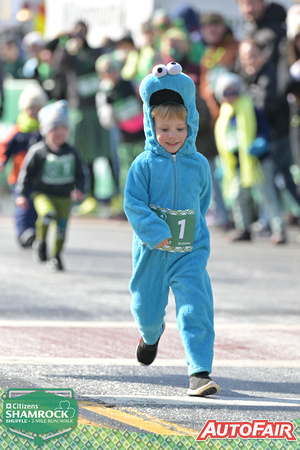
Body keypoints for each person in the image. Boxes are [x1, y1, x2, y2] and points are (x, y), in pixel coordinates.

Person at [124, 62, 220, 397]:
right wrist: (155, 231)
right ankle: (150, 336)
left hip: (189, 251)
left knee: (196, 307)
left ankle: (199, 370)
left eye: (180, 128)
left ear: (190, 124)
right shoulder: (143, 165)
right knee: (146, 310)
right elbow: (133, 205)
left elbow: (202, 201)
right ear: (152, 127)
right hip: (152, 253)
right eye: (164, 129)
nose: (173, 136)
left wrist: (190, 234)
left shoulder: (198, 164)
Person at [15, 100, 88, 271]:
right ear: (46, 131)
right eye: (54, 128)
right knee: (47, 214)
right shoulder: (38, 151)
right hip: (43, 194)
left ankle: (55, 256)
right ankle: (41, 242)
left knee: (62, 227)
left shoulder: (72, 152)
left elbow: (81, 173)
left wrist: (81, 190)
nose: (59, 132)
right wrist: (21, 194)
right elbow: (26, 173)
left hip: (64, 196)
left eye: (63, 128)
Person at [214, 72, 285, 245]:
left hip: (257, 160)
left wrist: (261, 142)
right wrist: (224, 164)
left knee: (267, 194)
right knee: (238, 197)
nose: (231, 96)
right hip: (237, 164)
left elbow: (264, 131)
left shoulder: (251, 108)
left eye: (234, 92)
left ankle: (278, 229)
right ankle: (243, 228)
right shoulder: (225, 115)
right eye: (226, 93)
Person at [237, 37, 300, 222]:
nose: (250, 60)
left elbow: (267, 105)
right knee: (268, 181)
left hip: (278, 136)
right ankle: (271, 221)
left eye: (253, 55)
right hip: (264, 137)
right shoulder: (248, 78)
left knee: (281, 179)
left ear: (263, 55)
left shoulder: (269, 76)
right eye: (245, 57)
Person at [0, 83, 47, 247]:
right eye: (31, 108)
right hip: (19, 177)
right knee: (23, 207)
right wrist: (2, 161)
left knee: (37, 208)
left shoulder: (45, 131)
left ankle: (34, 234)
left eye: (38, 108)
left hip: (39, 177)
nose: (34, 111)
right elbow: (4, 147)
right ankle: (23, 233)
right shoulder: (18, 130)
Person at [199, 13, 239, 125]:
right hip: (212, 114)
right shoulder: (208, 53)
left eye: (216, 25)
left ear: (224, 27)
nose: (212, 29)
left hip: (233, 110)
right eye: (207, 27)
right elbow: (204, 82)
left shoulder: (236, 46)